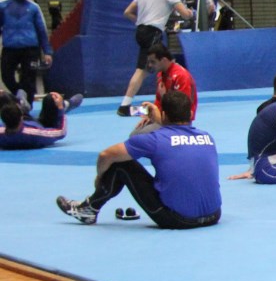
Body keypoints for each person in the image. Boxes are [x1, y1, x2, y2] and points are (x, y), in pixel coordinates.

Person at [56, 90, 221, 229]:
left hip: (177, 219)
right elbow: (177, 135)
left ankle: (89, 208)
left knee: (121, 163)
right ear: (190, 113)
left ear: (164, 114)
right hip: (213, 215)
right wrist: (161, 120)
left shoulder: (155, 139)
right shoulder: (207, 137)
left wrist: (100, 178)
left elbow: (105, 155)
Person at [119, 0, 192, 116]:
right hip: (153, 33)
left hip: (141, 31)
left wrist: (140, 21)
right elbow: (184, 14)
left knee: (163, 64)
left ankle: (167, 100)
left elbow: (127, 12)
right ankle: (126, 106)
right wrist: (191, 13)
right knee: (148, 69)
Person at [129, 43, 197, 136]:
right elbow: (158, 101)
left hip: (178, 122)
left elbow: (181, 108)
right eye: (149, 62)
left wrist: (164, 96)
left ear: (164, 60)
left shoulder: (181, 76)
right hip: (164, 117)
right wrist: (150, 116)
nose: (150, 65)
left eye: (153, 62)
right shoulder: (160, 74)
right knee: (134, 133)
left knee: (139, 136)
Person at [2, 0, 52, 101]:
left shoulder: (34, 7)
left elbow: (42, 30)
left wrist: (47, 51)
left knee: (29, 79)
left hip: (30, 49)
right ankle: (19, 95)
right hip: (10, 48)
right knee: (6, 76)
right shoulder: (3, 6)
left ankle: (27, 106)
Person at [0, 90, 78, 151]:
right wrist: (60, 108)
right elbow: (61, 132)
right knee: (51, 98)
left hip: (25, 122)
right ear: (21, 116)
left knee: (3, 96)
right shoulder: (34, 134)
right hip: (44, 126)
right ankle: (67, 104)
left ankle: (21, 102)